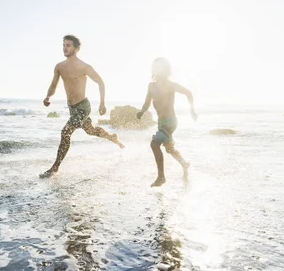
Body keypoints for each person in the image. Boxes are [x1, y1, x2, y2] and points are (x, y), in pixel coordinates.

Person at [40, 35, 125, 178]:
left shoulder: (84, 67)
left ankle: (55, 168)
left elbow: (100, 82)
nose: (65, 48)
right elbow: (53, 85)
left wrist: (102, 103)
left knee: (65, 132)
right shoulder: (59, 67)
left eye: (68, 45)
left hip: (83, 107)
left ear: (76, 48)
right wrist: (48, 96)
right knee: (90, 130)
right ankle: (112, 137)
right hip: (72, 108)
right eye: (64, 45)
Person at [136, 57, 197, 187]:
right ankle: (184, 164)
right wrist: (142, 111)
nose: (158, 70)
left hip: (170, 122)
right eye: (156, 67)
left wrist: (192, 110)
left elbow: (188, 92)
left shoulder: (171, 85)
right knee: (169, 149)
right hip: (161, 122)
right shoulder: (151, 86)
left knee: (154, 144)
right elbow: (147, 103)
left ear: (166, 70)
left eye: (161, 68)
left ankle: (161, 177)